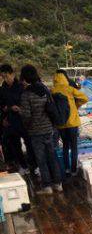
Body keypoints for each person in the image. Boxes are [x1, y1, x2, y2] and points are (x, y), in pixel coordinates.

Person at [19, 64, 62, 194]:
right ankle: (58, 184)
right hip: (49, 129)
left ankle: (47, 186)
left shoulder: (26, 94)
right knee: (52, 156)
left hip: (35, 131)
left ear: (25, 77)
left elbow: (26, 115)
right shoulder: (45, 89)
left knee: (41, 160)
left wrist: (26, 125)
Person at [52, 70, 88, 181]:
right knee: (74, 146)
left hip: (61, 124)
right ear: (65, 78)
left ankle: (66, 169)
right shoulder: (70, 89)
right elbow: (84, 98)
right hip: (72, 122)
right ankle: (73, 170)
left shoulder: (52, 91)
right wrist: (75, 106)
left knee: (65, 146)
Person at [0, 63, 36, 176]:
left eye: (6, 76)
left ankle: (34, 166)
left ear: (12, 74)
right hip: (10, 120)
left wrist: (21, 108)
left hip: (23, 120)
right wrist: (3, 118)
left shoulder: (21, 86)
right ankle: (23, 166)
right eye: (2, 77)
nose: (5, 79)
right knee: (16, 146)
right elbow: (1, 105)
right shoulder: (2, 89)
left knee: (29, 144)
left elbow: (28, 102)